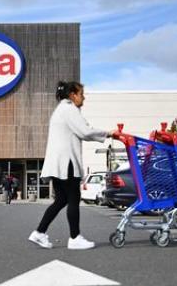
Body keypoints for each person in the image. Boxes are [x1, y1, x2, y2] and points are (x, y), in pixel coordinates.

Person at [28, 81, 118, 250]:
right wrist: (109, 133)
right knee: (74, 198)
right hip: (66, 162)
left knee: (61, 200)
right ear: (72, 95)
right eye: (81, 93)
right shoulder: (69, 109)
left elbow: (83, 129)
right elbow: (85, 131)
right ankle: (75, 237)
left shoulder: (61, 110)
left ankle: (39, 232)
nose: (83, 97)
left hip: (58, 163)